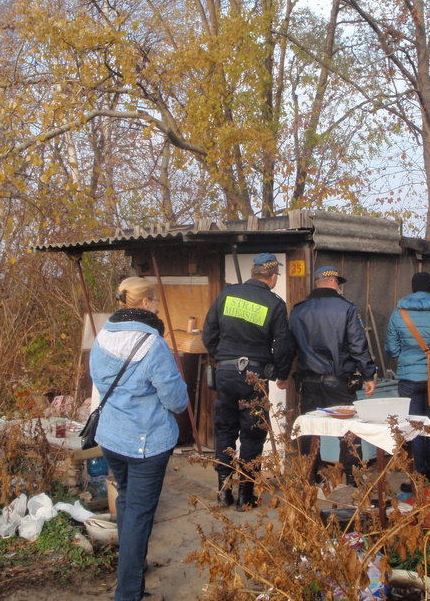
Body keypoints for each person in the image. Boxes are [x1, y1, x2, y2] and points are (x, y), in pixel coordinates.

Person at [90, 276, 189, 601]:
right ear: (145, 303)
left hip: (112, 439)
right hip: (146, 444)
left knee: (128, 502)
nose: (158, 306)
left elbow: (99, 380)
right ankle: (128, 593)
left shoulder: (103, 335)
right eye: (156, 301)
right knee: (138, 513)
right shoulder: (153, 344)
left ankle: (133, 565)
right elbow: (176, 401)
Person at [202, 253, 294, 510]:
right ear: (273, 276)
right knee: (253, 432)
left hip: (226, 374)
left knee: (224, 429)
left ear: (254, 272)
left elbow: (209, 334)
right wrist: (281, 374)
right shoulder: (274, 303)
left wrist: (219, 359)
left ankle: (223, 491)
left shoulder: (226, 295)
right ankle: (246, 495)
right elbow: (283, 346)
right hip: (253, 378)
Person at [289, 266, 377, 485]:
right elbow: (358, 345)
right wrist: (369, 374)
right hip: (338, 381)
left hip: (308, 381)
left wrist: (282, 374)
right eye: (338, 282)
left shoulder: (298, 310)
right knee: (348, 431)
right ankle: (352, 479)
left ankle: (308, 477)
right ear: (333, 282)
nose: (339, 286)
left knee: (309, 430)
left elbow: (289, 346)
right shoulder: (346, 309)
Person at [384, 272, 430, 488]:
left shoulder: (399, 313)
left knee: (414, 425)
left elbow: (392, 349)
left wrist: (406, 354)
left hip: (408, 378)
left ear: (413, 289)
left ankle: (418, 476)